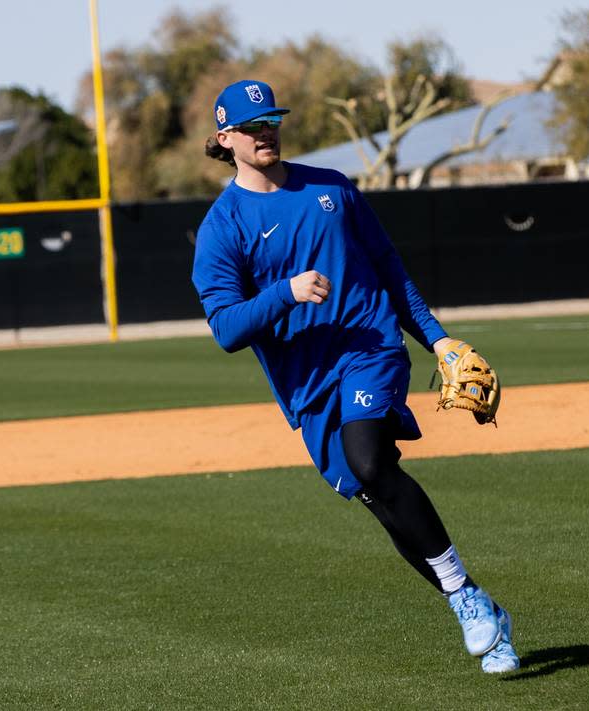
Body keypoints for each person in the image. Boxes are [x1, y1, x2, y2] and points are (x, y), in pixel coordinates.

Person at [191, 79, 518, 674]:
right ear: (225, 139)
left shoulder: (332, 188)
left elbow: (390, 268)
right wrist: (284, 295)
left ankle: (468, 603)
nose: (266, 132)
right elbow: (228, 329)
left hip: (370, 346)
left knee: (368, 458)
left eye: (272, 121)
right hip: (307, 383)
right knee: (376, 490)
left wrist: (438, 339)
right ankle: (471, 598)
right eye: (251, 126)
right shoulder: (223, 227)